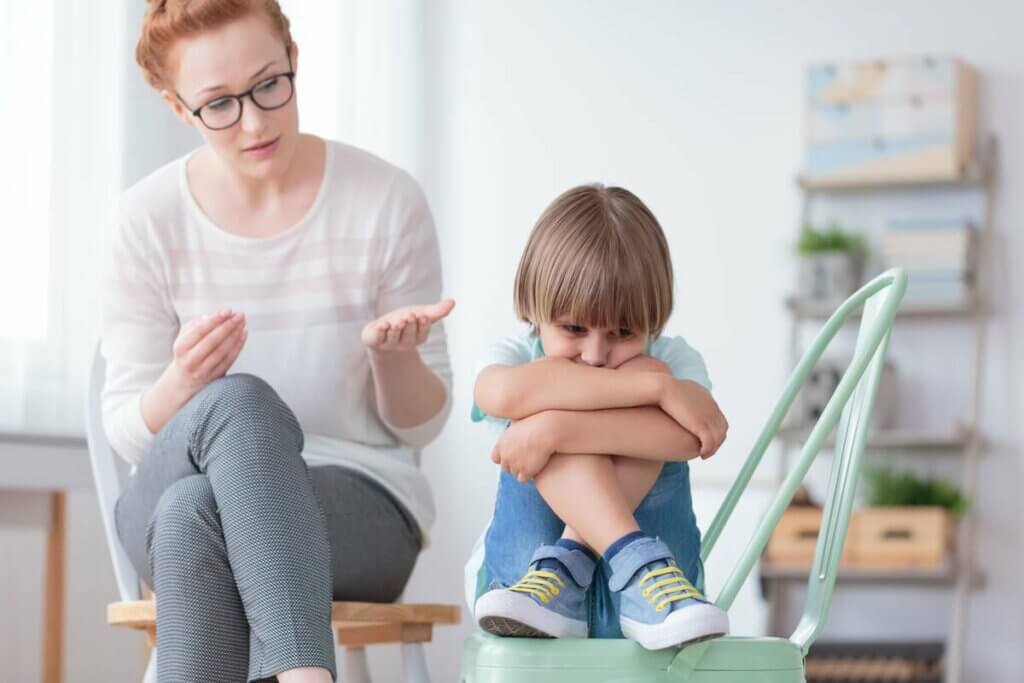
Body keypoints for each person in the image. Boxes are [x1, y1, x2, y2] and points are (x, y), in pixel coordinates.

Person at [101, 2, 452, 681]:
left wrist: (393, 358)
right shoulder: (143, 221)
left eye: (269, 84)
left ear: (293, 54)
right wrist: (180, 384)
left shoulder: (385, 200)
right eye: (220, 105)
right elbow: (126, 428)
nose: (256, 121)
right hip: (177, 473)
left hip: (359, 506)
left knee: (194, 515)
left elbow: (425, 423)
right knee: (237, 405)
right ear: (179, 109)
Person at [468, 184, 730, 650]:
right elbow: (500, 393)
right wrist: (657, 389)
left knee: (625, 399)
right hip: (524, 595)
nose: (595, 354)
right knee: (549, 393)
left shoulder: (672, 357)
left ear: (654, 321)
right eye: (573, 328)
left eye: (623, 332)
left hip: (655, 610)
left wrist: (555, 430)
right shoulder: (514, 356)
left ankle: (574, 564)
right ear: (532, 307)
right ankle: (636, 558)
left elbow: (693, 437)